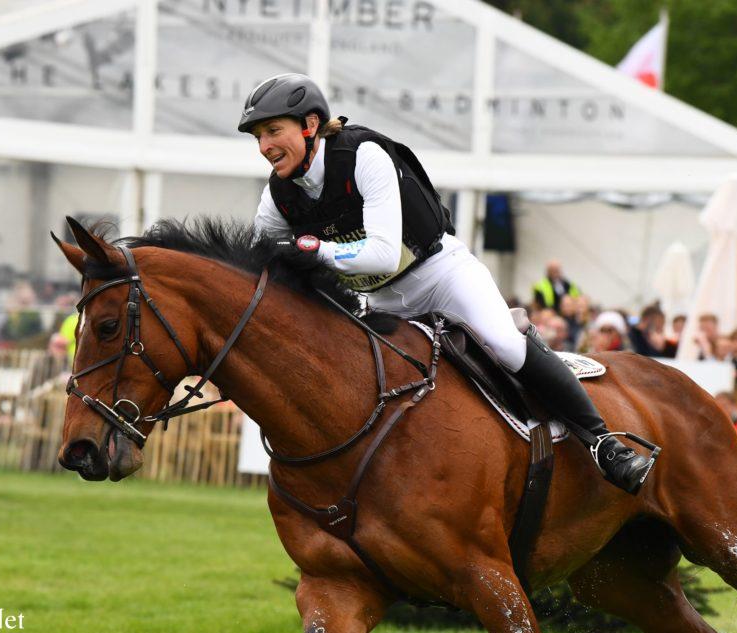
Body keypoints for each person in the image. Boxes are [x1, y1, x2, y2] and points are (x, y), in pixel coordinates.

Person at [240, 73, 654, 494]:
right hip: (380, 300)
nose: (264, 146)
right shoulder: (278, 196)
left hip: (441, 275)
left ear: (310, 125)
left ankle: (603, 443)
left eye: (274, 131)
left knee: (506, 345)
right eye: (258, 136)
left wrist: (315, 250)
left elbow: (383, 253)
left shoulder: (362, 155)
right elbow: (259, 265)